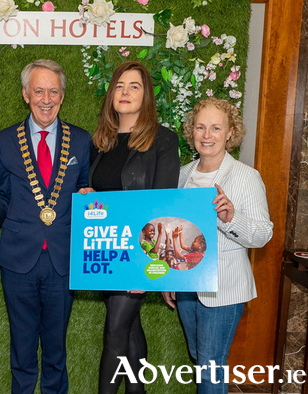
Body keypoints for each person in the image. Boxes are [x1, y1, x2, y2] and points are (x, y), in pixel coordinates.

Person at [0, 59, 91, 394]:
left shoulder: (82, 140)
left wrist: (90, 197)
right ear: (26, 94)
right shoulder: (4, 140)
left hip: (63, 259)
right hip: (18, 259)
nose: (47, 99)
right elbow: (2, 194)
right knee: (22, 347)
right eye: (39, 91)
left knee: (56, 349)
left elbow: (86, 186)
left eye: (54, 91)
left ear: (62, 96)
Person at [81, 61, 180, 394]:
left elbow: (163, 206)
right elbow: (107, 198)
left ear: (146, 95)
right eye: (120, 86)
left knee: (115, 331)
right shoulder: (101, 142)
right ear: (111, 94)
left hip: (139, 257)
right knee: (129, 331)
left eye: (134, 86)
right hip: (108, 254)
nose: (125, 92)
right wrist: (90, 196)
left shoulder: (163, 140)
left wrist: (144, 269)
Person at [162, 97, 273, 394]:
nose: (207, 135)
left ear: (230, 132)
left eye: (215, 128)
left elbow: (262, 234)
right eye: (200, 127)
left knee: (211, 364)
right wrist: (170, 277)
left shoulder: (246, 177)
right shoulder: (182, 175)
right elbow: (175, 230)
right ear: (192, 131)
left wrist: (231, 217)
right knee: (201, 359)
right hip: (188, 285)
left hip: (224, 288)